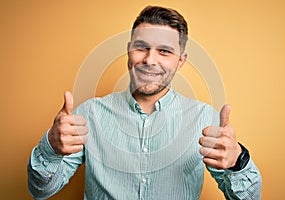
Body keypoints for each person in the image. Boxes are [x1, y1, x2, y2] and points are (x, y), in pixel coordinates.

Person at [27, 6, 262, 200]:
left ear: (180, 61)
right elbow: (40, 190)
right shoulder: (89, 115)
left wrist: (238, 162)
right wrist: (51, 148)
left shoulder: (204, 118)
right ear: (129, 50)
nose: (150, 60)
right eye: (141, 47)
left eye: (164, 51)